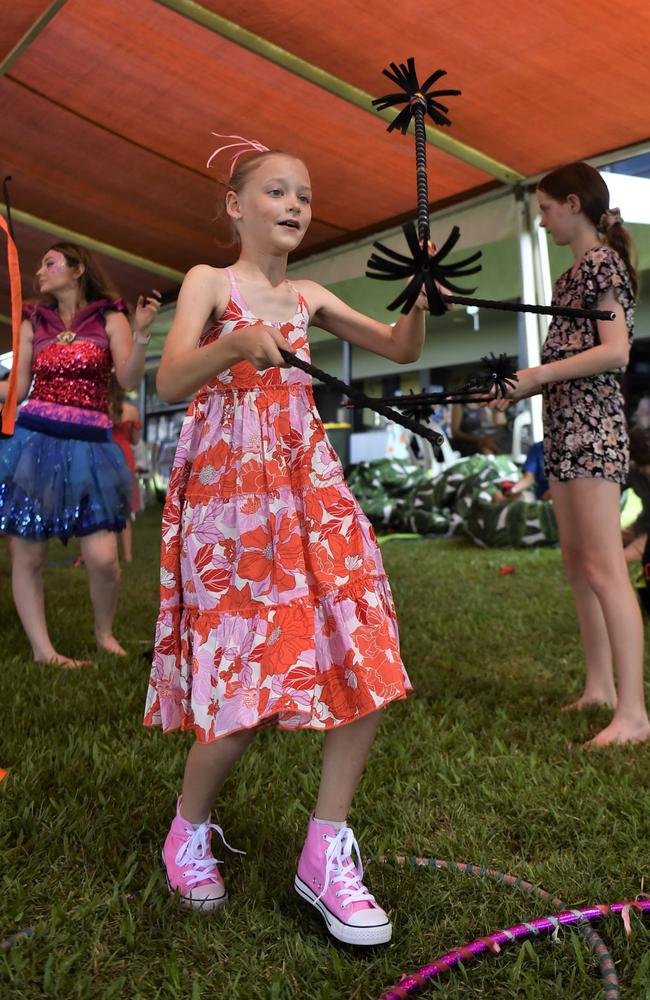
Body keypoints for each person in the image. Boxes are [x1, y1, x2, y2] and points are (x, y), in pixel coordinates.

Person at [143, 143, 429, 945]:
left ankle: (324, 848)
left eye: (304, 193)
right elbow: (169, 383)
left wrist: (422, 294)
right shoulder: (211, 282)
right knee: (241, 684)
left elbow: (402, 350)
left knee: (365, 643)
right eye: (276, 190)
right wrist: (234, 345)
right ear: (236, 206)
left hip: (309, 488)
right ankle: (187, 829)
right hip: (232, 503)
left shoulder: (307, 293)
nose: (295, 203)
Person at [497, 161, 650, 746]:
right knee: (578, 568)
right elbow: (569, 364)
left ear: (572, 204)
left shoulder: (602, 264)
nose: (541, 221)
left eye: (545, 209)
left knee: (605, 570)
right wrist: (522, 385)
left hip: (592, 432)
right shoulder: (570, 277)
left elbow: (614, 353)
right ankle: (600, 688)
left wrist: (537, 374)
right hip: (564, 431)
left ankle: (633, 714)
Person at [0, 243, 160, 666]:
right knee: (29, 552)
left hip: (92, 445)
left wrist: (141, 332)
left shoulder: (110, 317)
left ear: (77, 269)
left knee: (104, 559)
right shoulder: (33, 320)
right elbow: (16, 389)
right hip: (35, 443)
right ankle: (43, 650)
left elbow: (126, 377)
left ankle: (104, 634)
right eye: (39, 264)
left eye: (49, 262)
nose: (39, 270)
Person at [109, 375, 143, 563]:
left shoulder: (99, 410)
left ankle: (110, 555)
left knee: (106, 511)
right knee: (125, 511)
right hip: (125, 460)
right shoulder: (131, 410)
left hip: (103, 460)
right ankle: (128, 556)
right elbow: (135, 440)